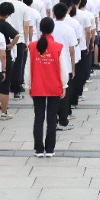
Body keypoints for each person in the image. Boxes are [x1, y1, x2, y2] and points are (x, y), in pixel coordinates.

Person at [28, 15, 68, 158]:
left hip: (37, 86)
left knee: (38, 117)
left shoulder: (32, 46)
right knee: (52, 118)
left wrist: (28, 85)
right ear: (52, 29)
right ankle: (50, 149)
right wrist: (64, 84)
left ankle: (38, 149)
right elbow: (63, 67)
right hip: (54, 86)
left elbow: (28, 68)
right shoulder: (57, 47)